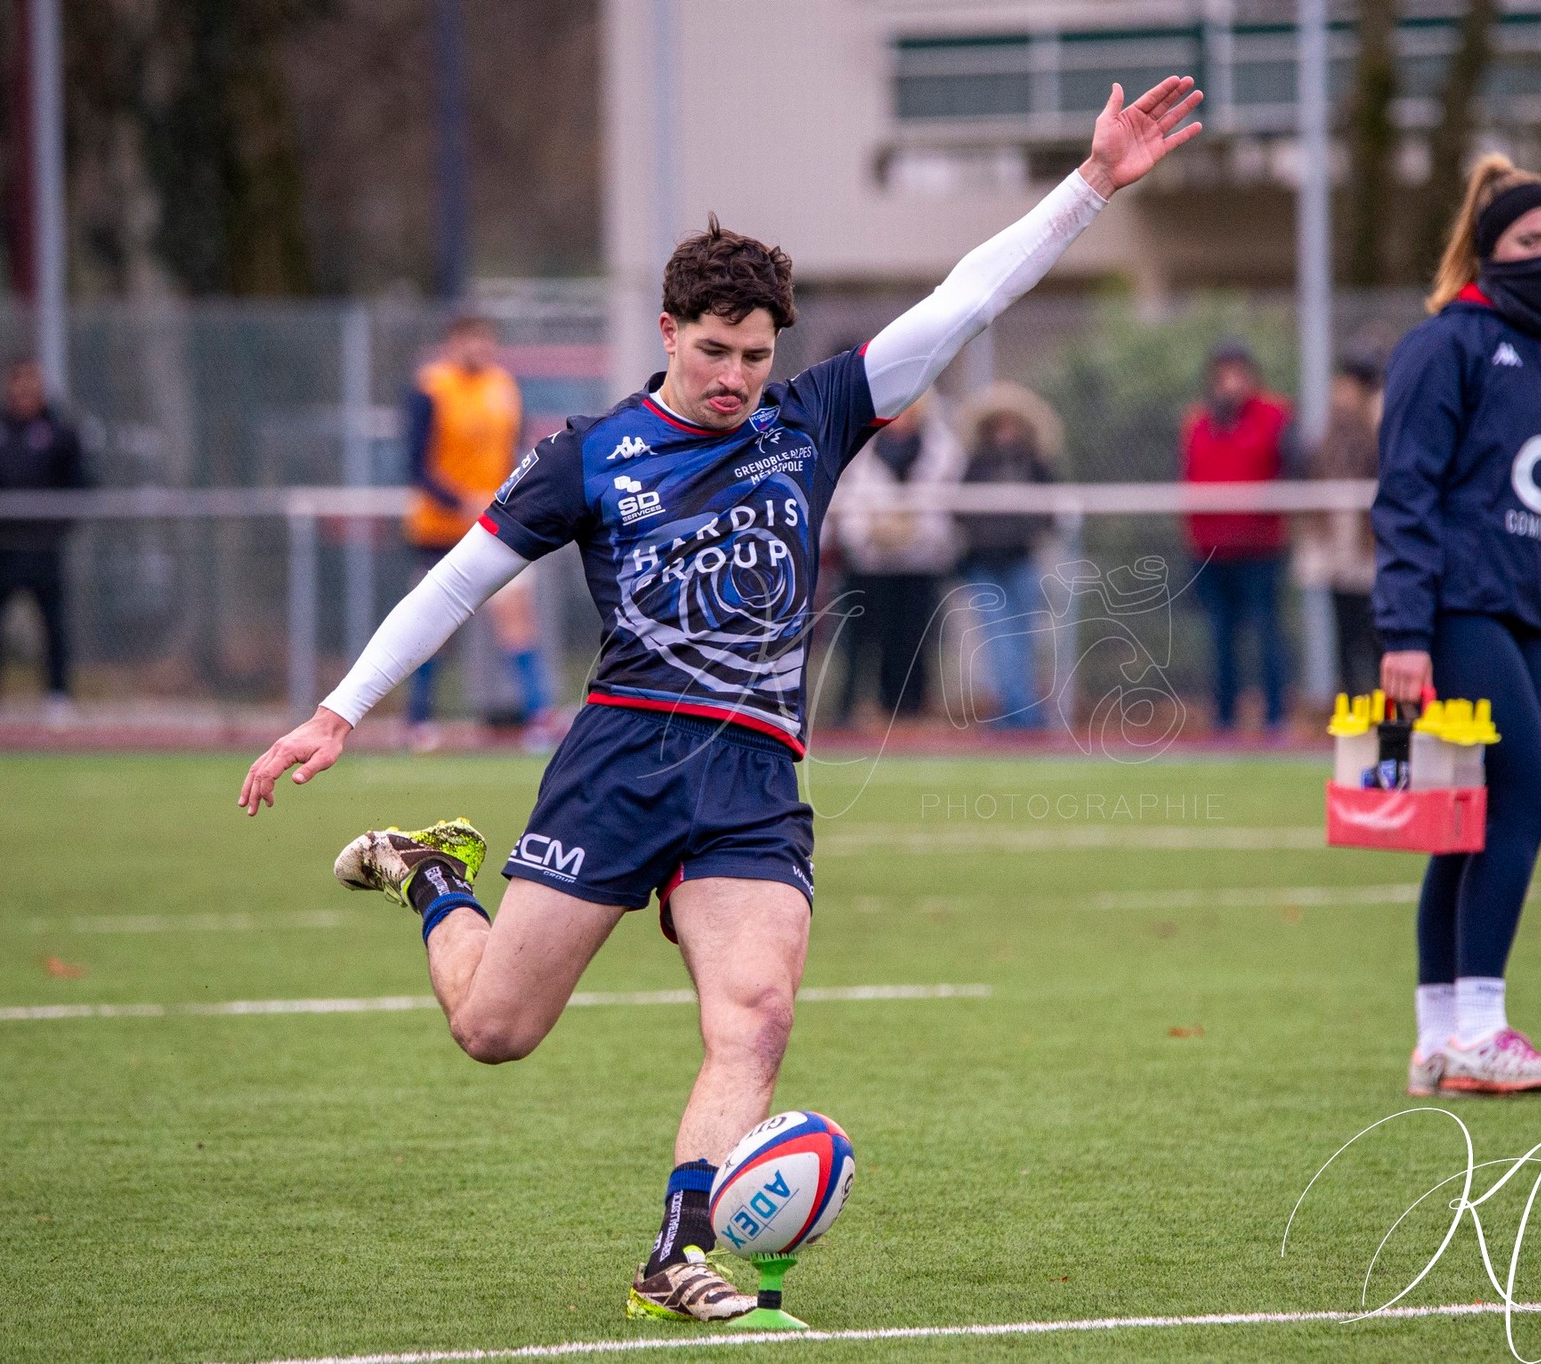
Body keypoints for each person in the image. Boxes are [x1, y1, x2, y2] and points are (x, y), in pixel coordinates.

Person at [238, 76, 1203, 1320]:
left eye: (755, 354)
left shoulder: (813, 418)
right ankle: (431, 876)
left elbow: (964, 300)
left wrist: (1088, 186)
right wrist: (337, 710)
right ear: (667, 330)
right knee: (493, 1028)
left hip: (751, 773)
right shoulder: (589, 455)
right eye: (713, 351)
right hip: (622, 758)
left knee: (755, 1013)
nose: (737, 376)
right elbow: (460, 580)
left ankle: (676, 1249)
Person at [1373, 153, 1541, 1098]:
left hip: (1521, 613)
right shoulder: (1445, 346)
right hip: (1457, 610)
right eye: (1532, 239)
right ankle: (1481, 1030)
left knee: (1467, 819)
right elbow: (1405, 495)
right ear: (1490, 251)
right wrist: (1405, 632)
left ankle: (1438, 1043)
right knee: (1527, 801)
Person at [400, 316, 555, 751]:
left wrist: (508, 500)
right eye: (470, 341)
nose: (479, 349)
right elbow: (416, 465)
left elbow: (516, 454)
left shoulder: (504, 387)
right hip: (440, 530)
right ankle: (417, 719)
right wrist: (460, 501)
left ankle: (539, 716)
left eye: (485, 341)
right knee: (433, 629)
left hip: (495, 526)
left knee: (517, 619)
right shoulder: (431, 389)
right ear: (452, 343)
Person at [829, 393, 963, 723]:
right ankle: (850, 712)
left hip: (920, 563)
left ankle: (907, 712)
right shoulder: (859, 445)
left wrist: (913, 531)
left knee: (913, 640)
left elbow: (947, 506)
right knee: (859, 643)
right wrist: (869, 533)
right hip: (868, 563)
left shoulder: (942, 447)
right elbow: (846, 501)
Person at [1180, 340, 1291, 733]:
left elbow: (1287, 465)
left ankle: (1275, 718)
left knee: (1266, 631)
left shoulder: (1273, 416)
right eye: (1223, 374)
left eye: (1238, 373)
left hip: (1261, 547)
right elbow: (1189, 475)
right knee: (1220, 637)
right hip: (1211, 550)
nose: (1230, 383)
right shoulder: (1198, 422)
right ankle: (1224, 719)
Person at [0, 358, 87, 723]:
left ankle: (58, 697)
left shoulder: (59, 432)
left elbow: (79, 484)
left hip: (42, 551)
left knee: (54, 627)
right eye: (17, 383)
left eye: (30, 383)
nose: (23, 392)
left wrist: (54, 529)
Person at [953, 382, 1062, 731]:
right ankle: (1017, 714)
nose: (1005, 431)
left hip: (1022, 561)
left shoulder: (1035, 466)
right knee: (998, 640)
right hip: (985, 565)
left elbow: (1051, 514)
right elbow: (959, 510)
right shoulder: (976, 466)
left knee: (1024, 640)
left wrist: (1024, 527)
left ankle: (1022, 713)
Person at [1299, 354, 1383, 695]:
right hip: (1338, 548)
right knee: (1344, 630)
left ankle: (1381, 696)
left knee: (1375, 630)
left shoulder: (1376, 429)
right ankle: (1349, 695)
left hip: (1368, 549)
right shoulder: (1327, 438)